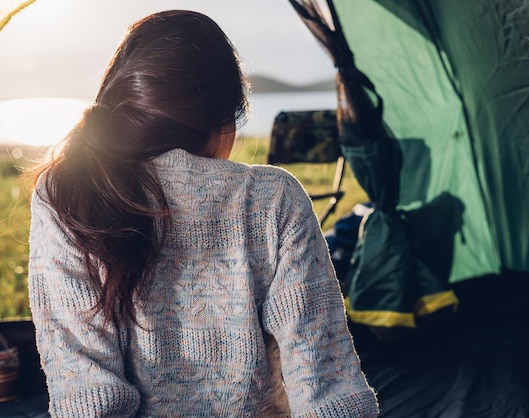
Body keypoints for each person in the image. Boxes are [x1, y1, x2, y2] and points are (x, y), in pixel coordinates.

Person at [27, 10, 379, 417]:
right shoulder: (273, 197)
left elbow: (86, 402)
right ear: (221, 118)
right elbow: (327, 390)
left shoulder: (65, 191)